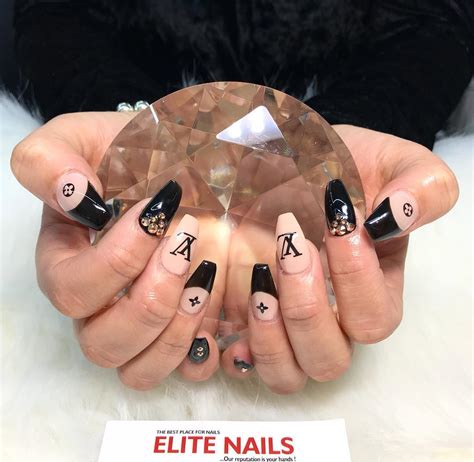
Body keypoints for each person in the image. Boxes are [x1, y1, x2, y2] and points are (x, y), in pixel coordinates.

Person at [10, 0, 472, 393]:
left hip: (356, 93)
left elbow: (435, 21)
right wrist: (135, 138)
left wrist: (332, 140)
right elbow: (56, 14)